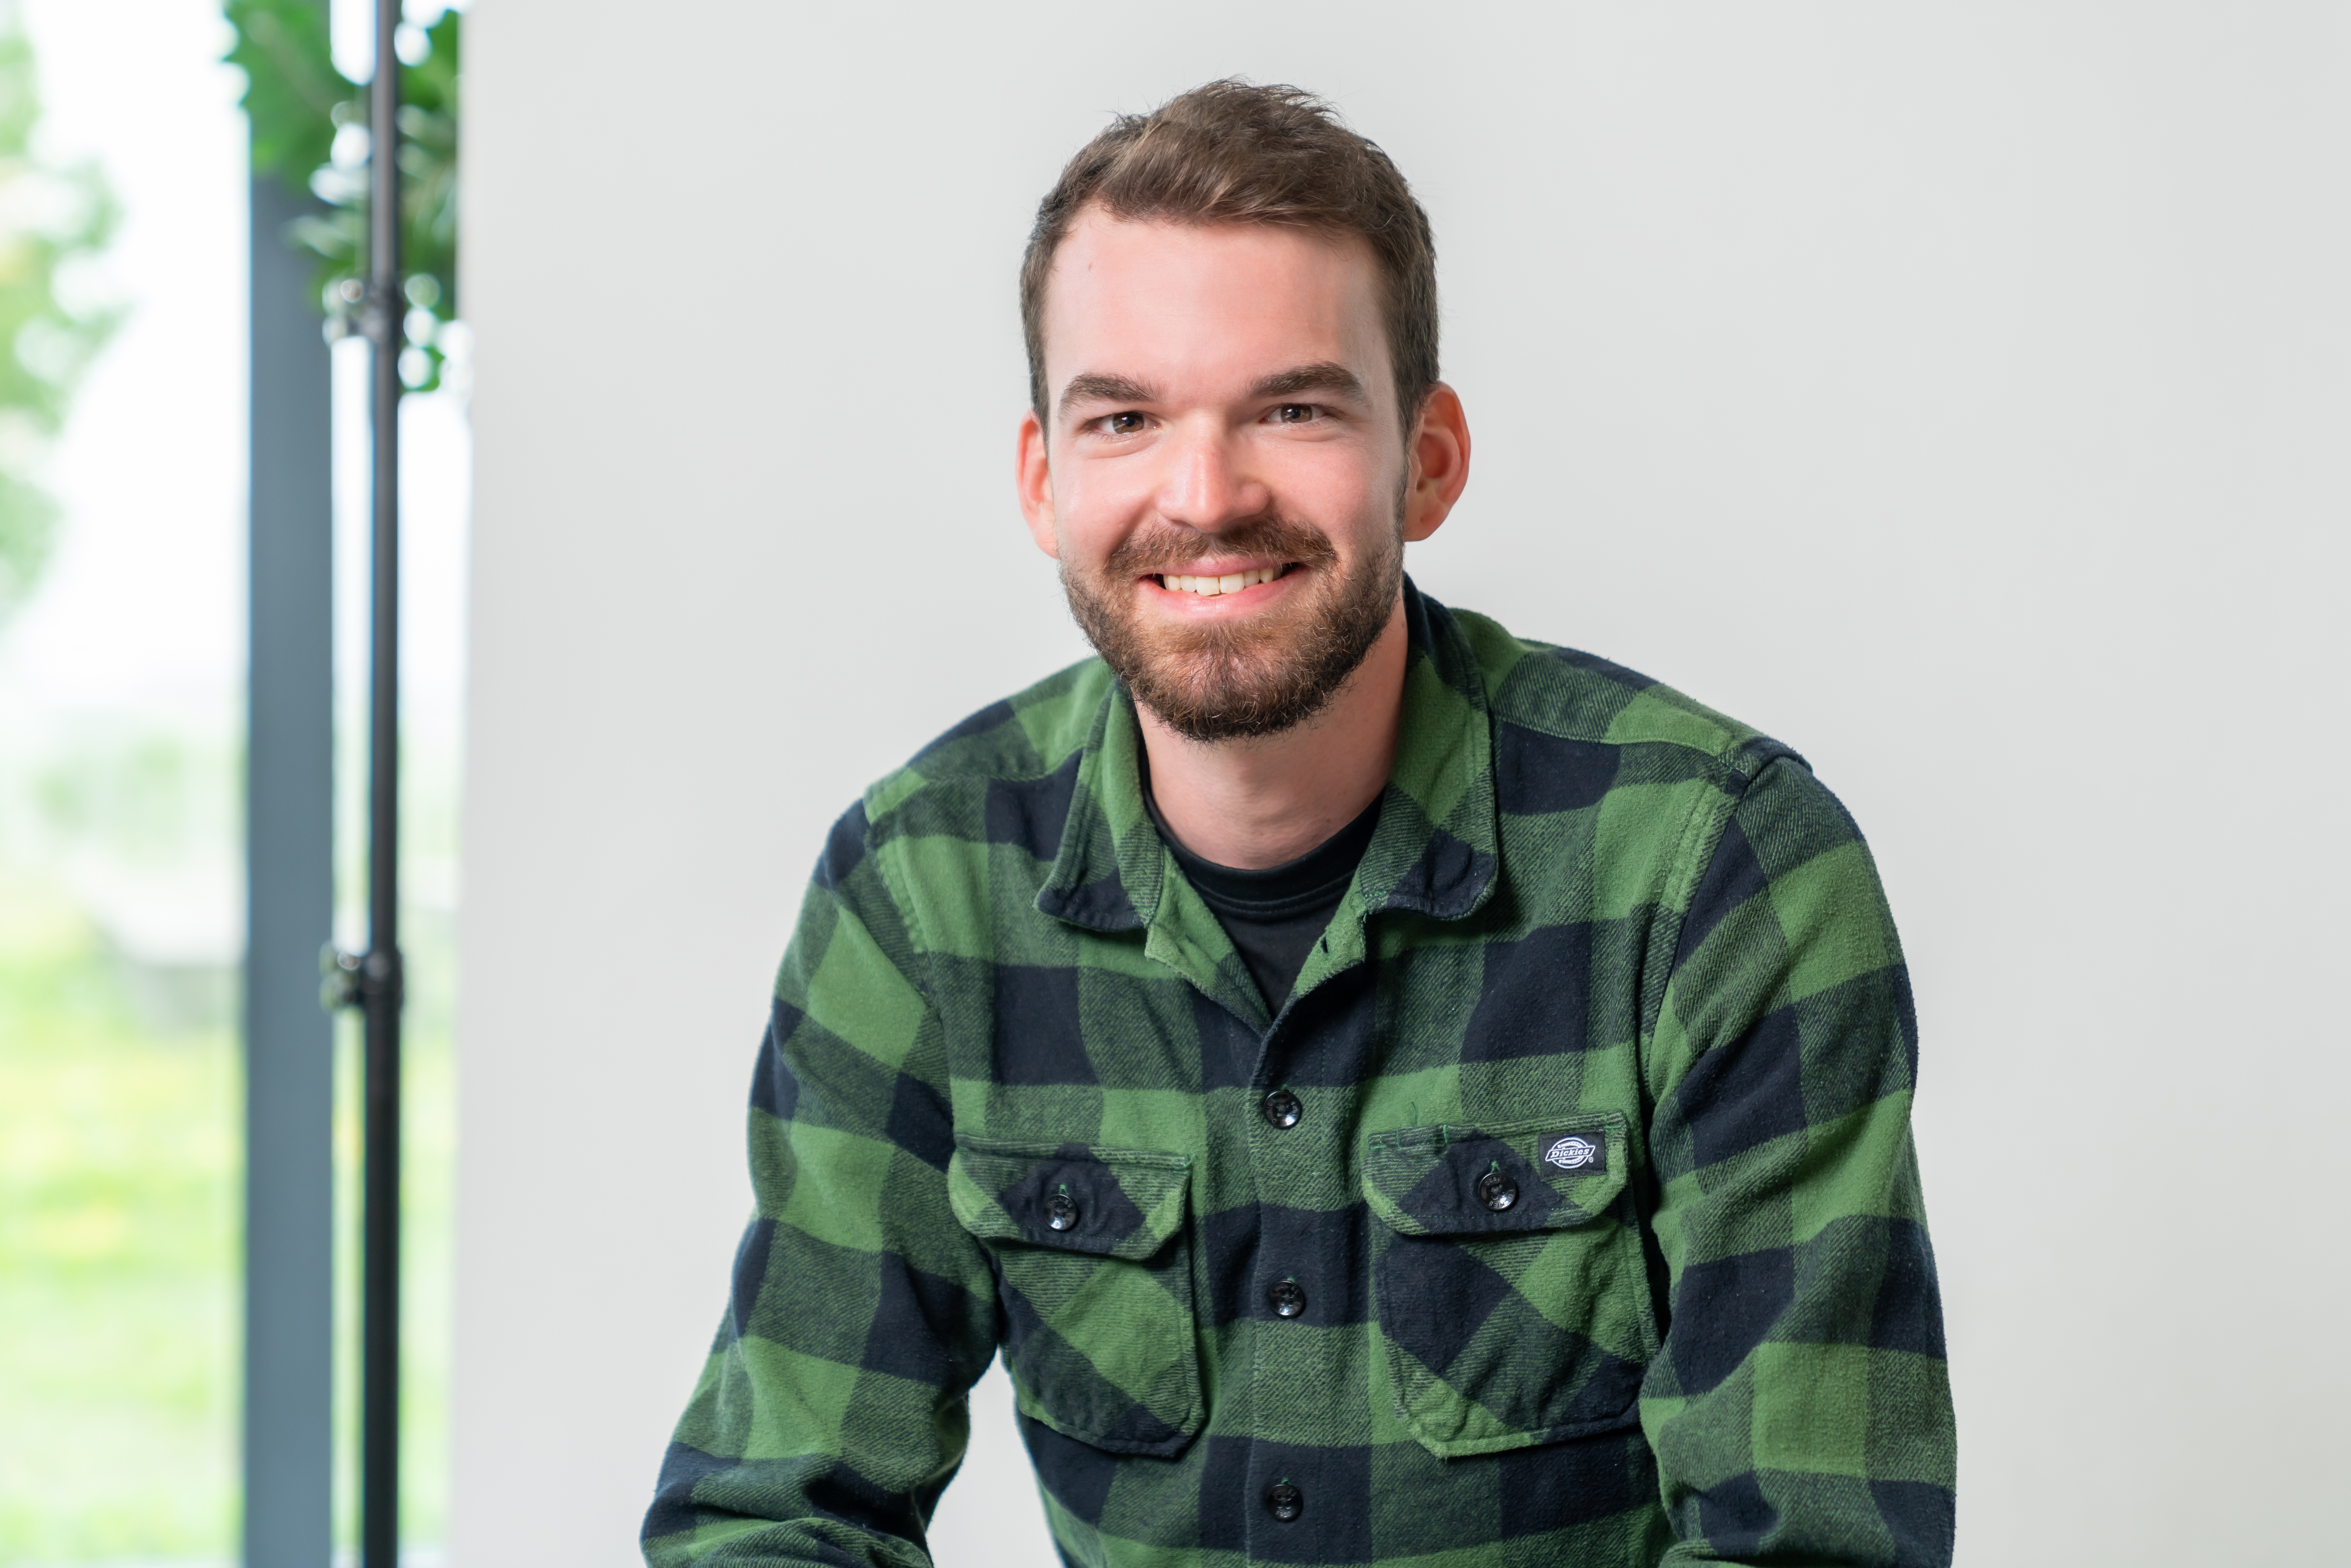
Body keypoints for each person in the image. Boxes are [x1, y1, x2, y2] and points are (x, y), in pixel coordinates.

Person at [642, 79, 1954, 1568]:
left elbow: (1812, 1546)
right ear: (1043, 483)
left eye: (1292, 409)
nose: (1204, 495)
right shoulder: (918, 892)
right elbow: (774, 1512)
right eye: (1125, 418)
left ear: (1426, 459)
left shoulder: (1718, 870)